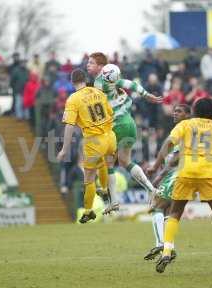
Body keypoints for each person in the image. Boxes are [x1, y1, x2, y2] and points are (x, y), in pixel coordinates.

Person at [147, 98, 212, 274]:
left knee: (174, 213)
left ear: (195, 110)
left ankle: (166, 251)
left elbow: (168, 143)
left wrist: (156, 166)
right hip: (208, 175)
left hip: (186, 172)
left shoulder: (186, 125)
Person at [87, 53, 162, 214]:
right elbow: (131, 84)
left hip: (115, 127)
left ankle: (113, 201)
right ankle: (151, 188)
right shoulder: (114, 80)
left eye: (91, 63)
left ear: (102, 68)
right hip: (129, 124)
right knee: (125, 161)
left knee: (107, 162)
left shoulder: (99, 83)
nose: (88, 65)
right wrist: (146, 94)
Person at [57, 68, 117, 223]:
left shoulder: (73, 99)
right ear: (85, 78)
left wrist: (64, 149)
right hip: (110, 136)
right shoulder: (98, 92)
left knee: (89, 177)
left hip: (94, 140)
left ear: (72, 82)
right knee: (104, 163)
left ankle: (88, 210)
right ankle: (104, 189)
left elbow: (69, 125)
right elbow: (111, 113)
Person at [144, 104, 190, 260]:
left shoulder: (184, 129)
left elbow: (176, 158)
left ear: (187, 114)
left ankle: (160, 244)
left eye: (179, 111)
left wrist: (159, 174)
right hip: (183, 174)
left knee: (157, 206)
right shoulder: (188, 130)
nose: (175, 113)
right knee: (169, 212)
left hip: (177, 173)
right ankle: (170, 248)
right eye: (175, 111)